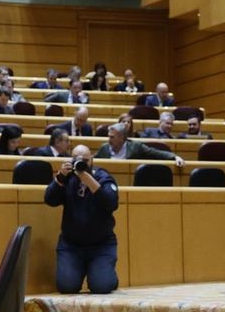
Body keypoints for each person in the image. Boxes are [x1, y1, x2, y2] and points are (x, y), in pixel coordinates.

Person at [45, 144, 120, 294]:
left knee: (101, 287)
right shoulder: (67, 179)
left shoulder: (103, 176)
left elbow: (111, 202)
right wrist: (60, 178)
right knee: (67, 287)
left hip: (101, 245)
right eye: (76, 160)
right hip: (71, 245)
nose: (81, 164)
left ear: (91, 160)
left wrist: (85, 176)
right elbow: (50, 200)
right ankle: (86, 270)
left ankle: (107, 275)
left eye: (85, 160)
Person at [97, 123, 184, 166]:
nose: (109, 140)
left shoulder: (135, 146)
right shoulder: (104, 148)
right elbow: (93, 160)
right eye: (109, 136)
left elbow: (154, 153)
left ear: (122, 137)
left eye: (112, 137)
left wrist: (174, 156)